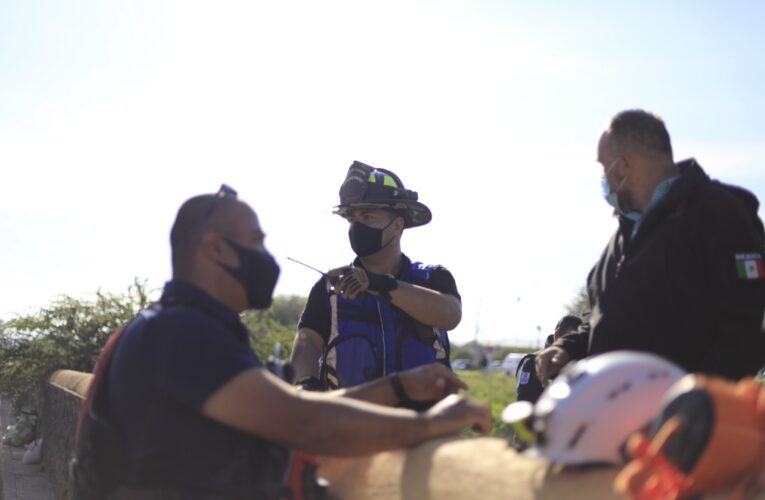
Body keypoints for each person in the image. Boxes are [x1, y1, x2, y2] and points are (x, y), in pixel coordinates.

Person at [103, 185, 490, 498]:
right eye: (256, 242)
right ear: (216, 249)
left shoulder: (185, 325)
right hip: (356, 454)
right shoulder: (185, 333)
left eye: (367, 216)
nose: (266, 257)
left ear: (398, 223)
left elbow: (297, 410)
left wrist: (400, 386)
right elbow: (304, 420)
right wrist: (429, 423)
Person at [536, 109, 765, 385]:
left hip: (691, 421)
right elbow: (609, 321)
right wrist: (567, 347)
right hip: (618, 417)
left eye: (602, 165)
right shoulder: (622, 237)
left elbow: (747, 324)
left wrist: (701, 395)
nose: (603, 178)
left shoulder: (720, 213)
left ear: (623, 165)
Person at [290, 161, 462, 392]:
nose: (357, 226)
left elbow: (450, 315)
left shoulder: (432, 277)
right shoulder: (330, 288)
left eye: (368, 216)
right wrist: (306, 382)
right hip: (350, 422)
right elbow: (307, 342)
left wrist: (381, 285)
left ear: (397, 225)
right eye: (352, 219)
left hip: (424, 424)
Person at [515, 315, 582, 403]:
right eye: (569, 340)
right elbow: (526, 405)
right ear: (557, 335)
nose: (574, 347)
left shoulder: (582, 363)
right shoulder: (532, 363)